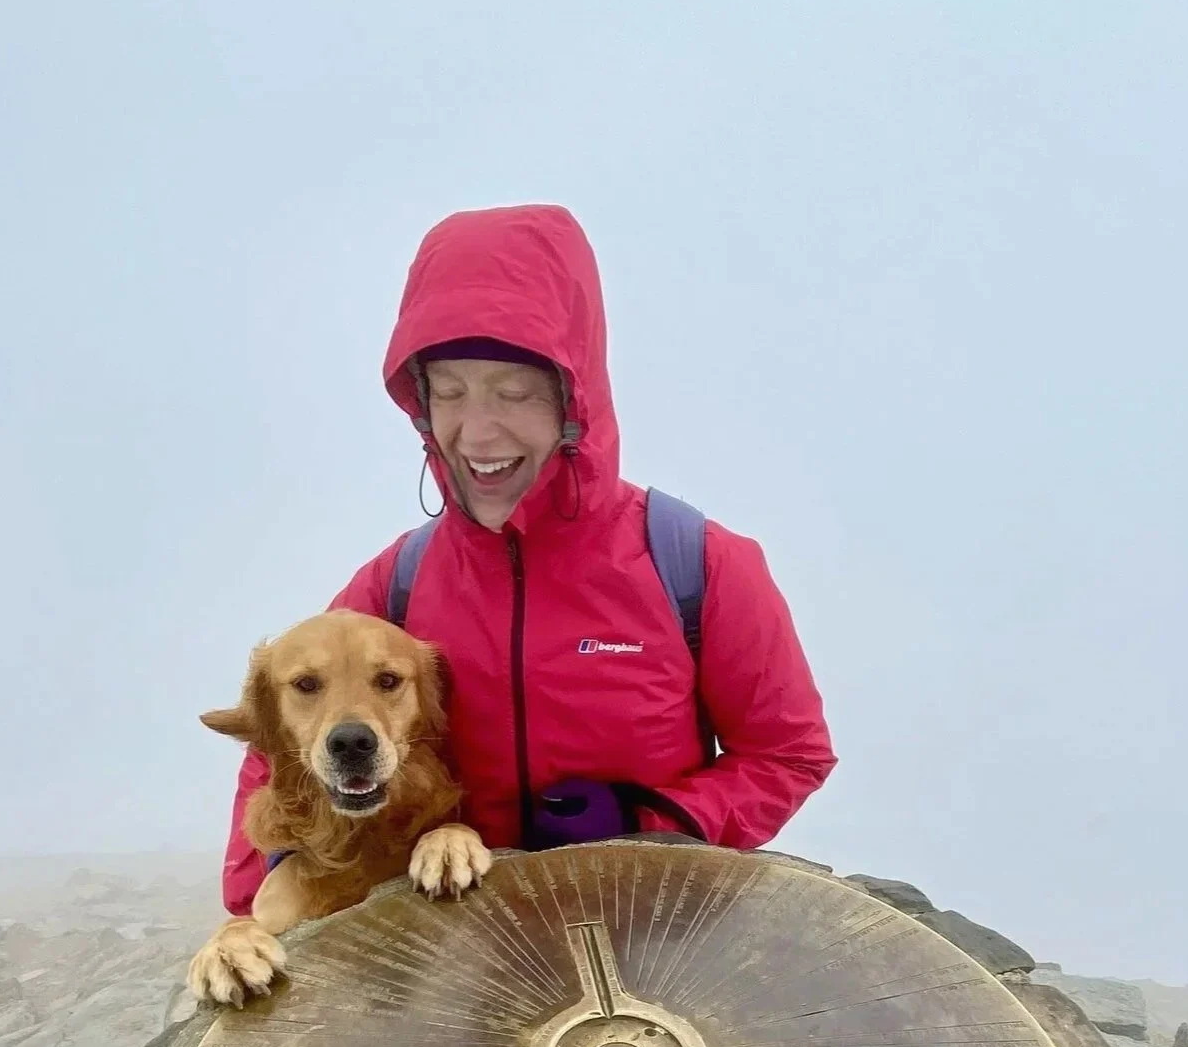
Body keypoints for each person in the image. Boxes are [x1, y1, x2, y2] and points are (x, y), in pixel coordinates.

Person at [220, 203, 835, 917]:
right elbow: (280, 739)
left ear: (576, 400)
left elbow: (790, 755)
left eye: (513, 393)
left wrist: (646, 826)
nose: (477, 432)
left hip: (654, 926)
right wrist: (263, 887)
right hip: (456, 929)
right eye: (448, 392)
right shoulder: (394, 585)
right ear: (419, 406)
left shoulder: (697, 564)